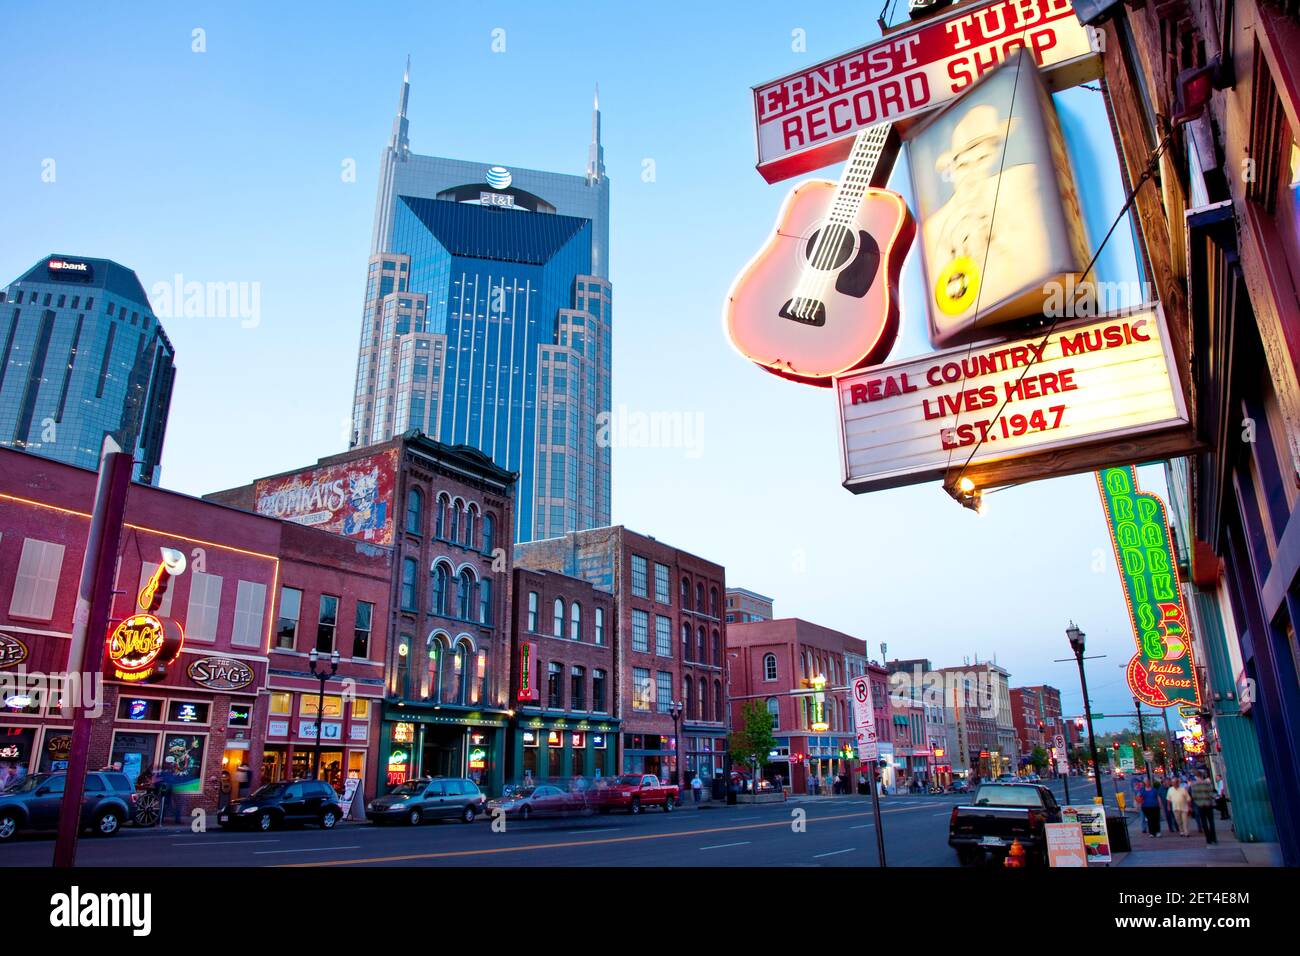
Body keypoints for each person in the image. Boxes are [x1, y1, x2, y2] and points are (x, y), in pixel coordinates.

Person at [1189, 771, 1218, 844]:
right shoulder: (1207, 784)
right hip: (1208, 804)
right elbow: (1212, 794)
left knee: (1204, 822)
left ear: (1196, 777)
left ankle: (1208, 839)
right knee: (1211, 822)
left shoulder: (1194, 786)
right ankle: (1213, 838)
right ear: (1202, 776)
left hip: (1200, 806)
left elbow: (1193, 796)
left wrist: (1199, 803)